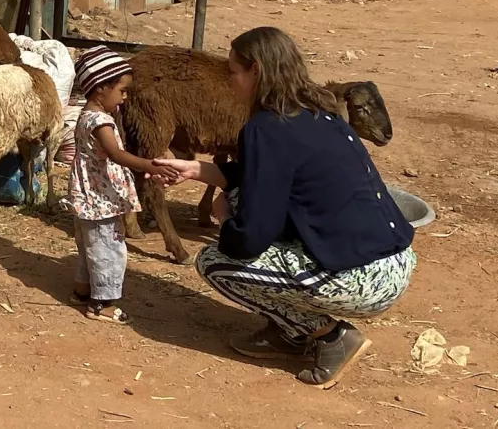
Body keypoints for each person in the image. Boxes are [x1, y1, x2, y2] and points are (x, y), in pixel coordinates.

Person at [154, 27, 416, 387]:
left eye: (233, 72)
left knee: (215, 262)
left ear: (257, 71)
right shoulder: (319, 113)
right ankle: (289, 333)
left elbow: (248, 240)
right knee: (238, 202)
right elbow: (258, 175)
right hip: (395, 262)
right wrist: (197, 170)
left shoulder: (265, 129)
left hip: (363, 280)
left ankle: (329, 335)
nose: (229, 82)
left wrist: (225, 217)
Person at [66, 45, 171, 324]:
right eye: (121, 91)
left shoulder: (86, 115)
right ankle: (102, 304)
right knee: (108, 249)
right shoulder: (101, 121)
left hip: (87, 196)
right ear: (101, 88)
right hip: (101, 198)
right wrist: (149, 164)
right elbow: (115, 154)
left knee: (90, 245)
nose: (124, 98)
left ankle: (82, 290)